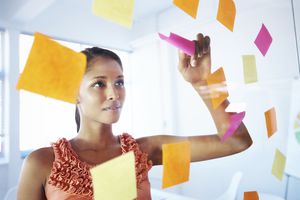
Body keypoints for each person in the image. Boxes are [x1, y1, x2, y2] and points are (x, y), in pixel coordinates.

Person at [17, 33, 252, 200]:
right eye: (99, 84)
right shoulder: (41, 163)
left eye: (119, 82)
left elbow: (236, 141)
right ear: (74, 94)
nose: (114, 94)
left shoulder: (145, 151)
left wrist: (202, 83)